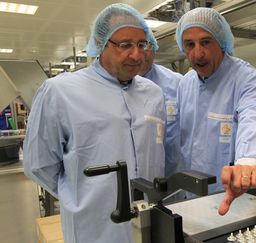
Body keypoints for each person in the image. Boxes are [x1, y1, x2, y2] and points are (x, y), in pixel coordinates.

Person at [24, 4, 166, 243]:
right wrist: (82, 195)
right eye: (125, 45)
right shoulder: (61, 92)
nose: (136, 55)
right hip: (94, 228)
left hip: (149, 225)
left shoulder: (153, 94)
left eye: (141, 44)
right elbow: (39, 165)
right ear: (101, 45)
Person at [175, 7, 256, 216]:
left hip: (229, 196)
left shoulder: (246, 79)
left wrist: (249, 161)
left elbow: (255, 117)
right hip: (188, 195)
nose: (198, 53)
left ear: (221, 42)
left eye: (205, 42)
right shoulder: (185, 84)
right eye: (189, 45)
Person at [139, 44, 183, 177]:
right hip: (138, 174)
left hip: (174, 174)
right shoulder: (117, 87)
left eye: (145, 45)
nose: (139, 53)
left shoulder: (177, 82)